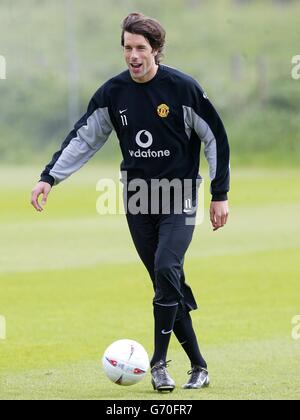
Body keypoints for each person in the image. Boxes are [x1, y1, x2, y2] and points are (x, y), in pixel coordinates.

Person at [31, 12, 230, 392]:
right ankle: (200, 365)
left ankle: (158, 364)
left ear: (156, 50)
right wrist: (48, 178)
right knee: (165, 280)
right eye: (127, 48)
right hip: (138, 199)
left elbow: (215, 138)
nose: (133, 56)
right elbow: (85, 138)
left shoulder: (183, 89)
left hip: (180, 195)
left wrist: (220, 195)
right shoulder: (112, 93)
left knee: (167, 265)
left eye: (140, 48)